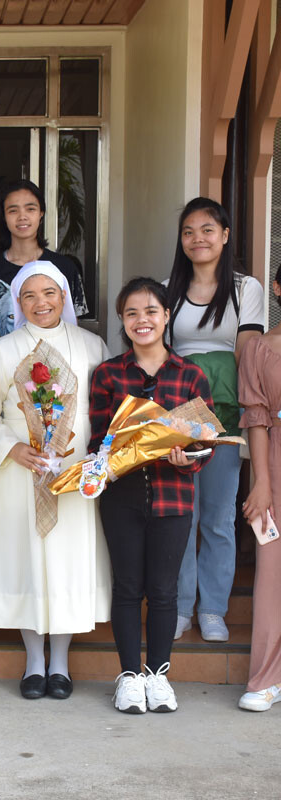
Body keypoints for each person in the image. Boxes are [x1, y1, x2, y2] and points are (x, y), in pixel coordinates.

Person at [0, 261, 110, 701]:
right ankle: (35, 661)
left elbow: (107, 412)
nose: (41, 303)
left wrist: (95, 458)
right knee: (26, 558)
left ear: (65, 297)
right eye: (29, 296)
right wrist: (11, 448)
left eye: (49, 293)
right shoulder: (1, 349)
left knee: (67, 561)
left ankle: (62, 663)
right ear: (17, 303)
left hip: (74, 470)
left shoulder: (92, 345)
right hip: (20, 469)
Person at [90, 277, 213, 714]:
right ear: (122, 321)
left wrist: (190, 459)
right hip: (121, 498)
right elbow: (97, 442)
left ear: (165, 316)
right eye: (132, 313)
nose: (142, 320)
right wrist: (110, 456)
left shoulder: (191, 375)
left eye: (151, 311)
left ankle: (158, 675)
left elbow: (206, 442)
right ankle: (128, 677)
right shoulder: (108, 374)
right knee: (127, 588)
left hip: (174, 498)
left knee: (163, 591)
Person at [165, 197, 264, 643]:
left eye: (208, 229)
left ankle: (214, 610)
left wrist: (238, 414)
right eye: (189, 231)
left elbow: (246, 354)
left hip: (225, 414)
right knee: (182, 514)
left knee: (219, 517)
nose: (198, 238)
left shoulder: (247, 290)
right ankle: (182, 606)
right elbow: (159, 355)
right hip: (179, 413)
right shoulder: (166, 290)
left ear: (224, 236)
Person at [0, 179, 87, 359]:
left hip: (57, 369)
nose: (22, 216)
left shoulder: (64, 268)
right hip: (6, 367)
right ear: (3, 216)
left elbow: (73, 326)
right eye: (13, 210)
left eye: (30, 209)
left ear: (41, 213)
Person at [236, 264, 281, 712]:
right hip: (277, 465)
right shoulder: (261, 350)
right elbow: (257, 419)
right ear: (277, 288)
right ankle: (267, 678)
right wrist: (263, 483)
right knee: (272, 571)